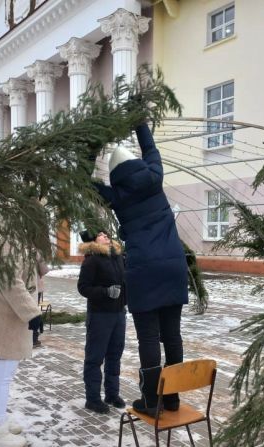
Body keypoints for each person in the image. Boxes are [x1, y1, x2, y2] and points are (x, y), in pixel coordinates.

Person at [95, 122, 189, 415]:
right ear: (136, 163)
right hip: (173, 265)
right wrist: (139, 123)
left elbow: (88, 184)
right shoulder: (155, 175)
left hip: (143, 271)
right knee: (172, 335)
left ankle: (151, 402)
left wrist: (89, 149)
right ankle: (171, 397)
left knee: (149, 337)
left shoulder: (117, 196)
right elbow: (150, 148)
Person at [0, 243, 43, 447]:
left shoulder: (7, 234)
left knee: (2, 372)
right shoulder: (5, 238)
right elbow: (8, 280)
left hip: (5, 314)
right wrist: (31, 312)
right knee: (1, 374)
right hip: (3, 316)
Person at [77, 229, 127, 414]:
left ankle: (112, 394)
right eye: (101, 234)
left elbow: (125, 281)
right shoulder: (92, 260)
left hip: (119, 314)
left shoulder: (118, 257)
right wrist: (105, 292)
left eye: (107, 234)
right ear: (93, 240)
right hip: (99, 316)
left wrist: (127, 300)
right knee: (95, 358)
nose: (106, 236)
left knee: (115, 355)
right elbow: (83, 287)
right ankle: (93, 399)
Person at [33, 254, 50, 348]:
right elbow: (44, 270)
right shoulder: (34, 252)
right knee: (34, 312)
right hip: (34, 287)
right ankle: (33, 338)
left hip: (18, 287)